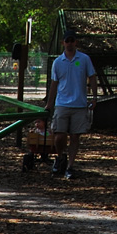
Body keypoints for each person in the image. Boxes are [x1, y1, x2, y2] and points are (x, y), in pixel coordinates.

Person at [44, 30, 97, 179]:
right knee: (59, 135)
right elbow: (54, 84)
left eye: (72, 40)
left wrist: (94, 97)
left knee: (75, 136)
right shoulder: (57, 62)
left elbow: (92, 77)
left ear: (76, 42)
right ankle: (60, 157)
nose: (69, 43)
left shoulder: (84, 59)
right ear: (63, 43)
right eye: (67, 41)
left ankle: (70, 166)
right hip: (62, 104)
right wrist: (49, 103)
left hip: (79, 104)